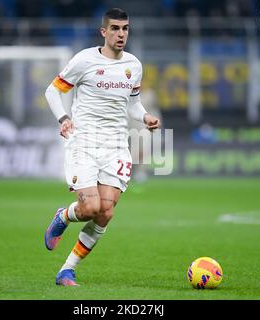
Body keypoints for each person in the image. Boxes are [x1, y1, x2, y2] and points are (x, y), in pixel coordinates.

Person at [43, 7, 160, 286]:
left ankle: (66, 270)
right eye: (116, 29)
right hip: (84, 142)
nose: (121, 34)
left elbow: (132, 103)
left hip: (116, 146)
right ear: (104, 32)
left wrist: (144, 116)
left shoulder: (133, 65)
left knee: (105, 212)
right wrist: (63, 117)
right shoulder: (84, 60)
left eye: (126, 29)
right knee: (89, 208)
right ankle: (64, 215)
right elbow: (52, 90)